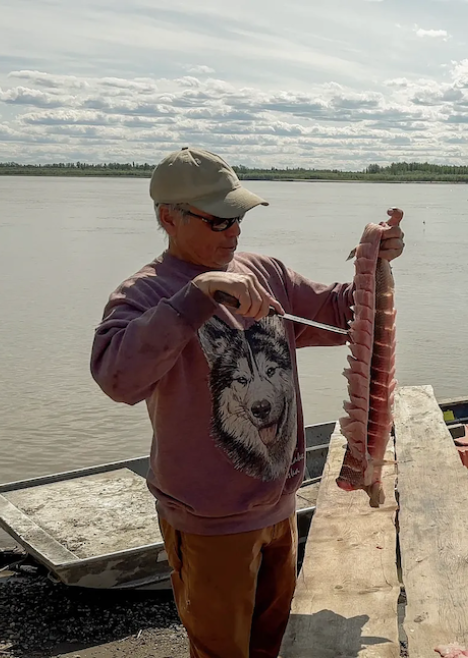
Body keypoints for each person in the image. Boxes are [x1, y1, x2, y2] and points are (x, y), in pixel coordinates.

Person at [89, 146, 405, 658]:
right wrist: (201, 293)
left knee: (272, 642)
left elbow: (339, 311)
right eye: (219, 220)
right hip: (210, 518)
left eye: (239, 217)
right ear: (169, 218)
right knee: (221, 650)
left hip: (278, 505)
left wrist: (375, 261)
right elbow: (117, 379)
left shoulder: (266, 272)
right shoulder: (145, 295)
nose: (234, 232)